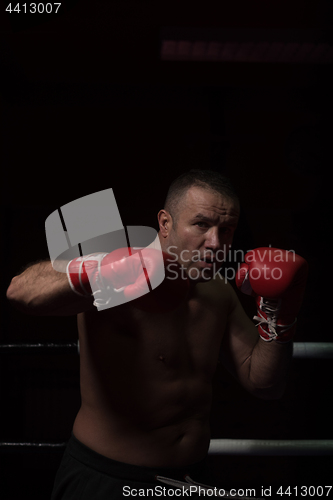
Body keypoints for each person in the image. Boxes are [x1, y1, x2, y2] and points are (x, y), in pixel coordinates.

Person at [6, 169, 308, 499]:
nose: (216, 243)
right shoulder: (120, 274)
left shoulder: (219, 292)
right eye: (202, 225)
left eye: (227, 230)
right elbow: (20, 291)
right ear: (165, 223)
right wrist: (98, 273)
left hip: (189, 480)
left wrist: (280, 318)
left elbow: (263, 383)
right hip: (108, 480)